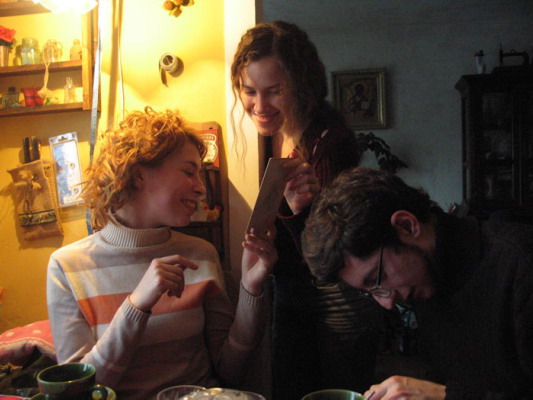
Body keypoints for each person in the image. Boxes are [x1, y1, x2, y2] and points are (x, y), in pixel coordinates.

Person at [46, 107, 277, 400]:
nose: (201, 189)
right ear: (137, 175)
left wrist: (250, 288)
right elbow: (79, 393)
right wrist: (137, 306)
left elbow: (230, 371)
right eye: (189, 172)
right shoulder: (66, 267)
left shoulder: (200, 254)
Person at [231, 21, 385, 400]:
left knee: (337, 392)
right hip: (289, 290)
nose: (259, 106)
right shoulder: (270, 136)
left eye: (275, 91)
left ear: (302, 85)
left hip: (336, 294)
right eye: (249, 91)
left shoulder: (329, 142)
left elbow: (338, 249)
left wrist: (302, 212)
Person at [302, 167, 533, 399]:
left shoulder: (521, 264)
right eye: (368, 292)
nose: (387, 303)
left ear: (407, 225)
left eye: (377, 278)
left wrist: (444, 395)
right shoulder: (426, 278)